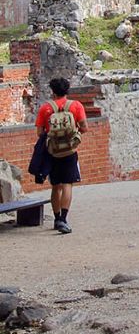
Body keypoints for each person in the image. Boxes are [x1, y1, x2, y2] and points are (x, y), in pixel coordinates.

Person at [35, 77, 88, 235]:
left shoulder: (46, 108)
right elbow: (84, 127)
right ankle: (63, 219)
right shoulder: (76, 106)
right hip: (70, 151)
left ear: (52, 91)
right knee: (68, 184)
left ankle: (56, 218)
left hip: (53, 152)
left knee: (55, 185)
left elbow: (39, 133)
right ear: (67, 90)